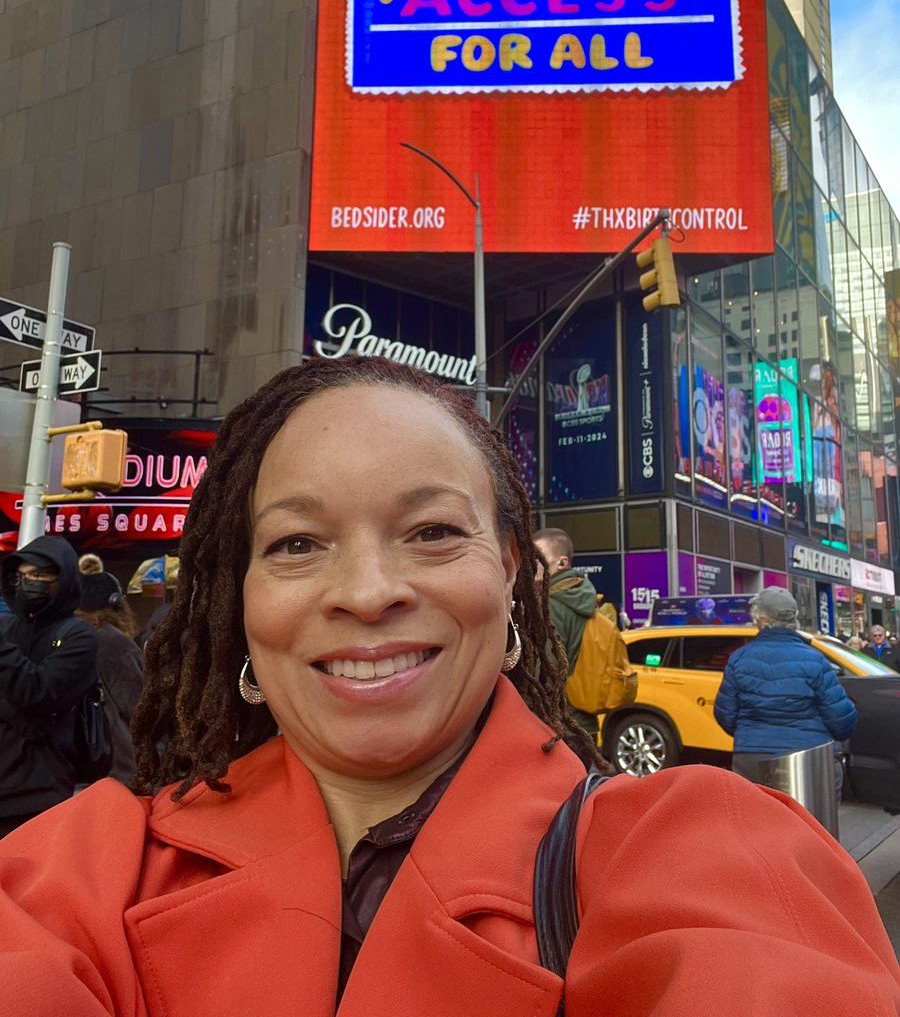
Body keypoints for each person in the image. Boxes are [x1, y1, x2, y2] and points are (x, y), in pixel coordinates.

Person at [0, 358, 898, 1015]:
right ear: (239, 604)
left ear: (510, 573)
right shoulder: (85, 870)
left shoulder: (698, 852)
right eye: (296, 544)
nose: (366, 591)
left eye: (431, 531)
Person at [714, 586, 857, 804]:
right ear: (794, 618)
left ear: (760, 619)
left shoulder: (739, 658)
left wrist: (752, 732)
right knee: (813, 830)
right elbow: (842, 721)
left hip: (752, 757)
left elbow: (725, 714)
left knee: (758, 829)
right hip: (810, 758)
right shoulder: (815, 659)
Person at [0, 536, 97, 838]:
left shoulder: (79, 637)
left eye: (40, 575)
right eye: (23, 576)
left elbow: (38, 693)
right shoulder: (9, 629)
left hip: (39, 791)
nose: (29, 582)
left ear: (63, 579)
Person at [76, 555, 144, 785]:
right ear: (116, 603)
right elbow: (138, 707)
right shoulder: (114, 643)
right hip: (117, 768)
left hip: (76, 767)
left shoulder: (68, 638)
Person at [533, 527, 600, 734]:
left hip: (559, 726)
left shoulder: (551, 604)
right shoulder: (584, 595)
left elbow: (546, 672)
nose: (532, 565)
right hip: (585, 722)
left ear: (562, 563)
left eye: (538, 558)